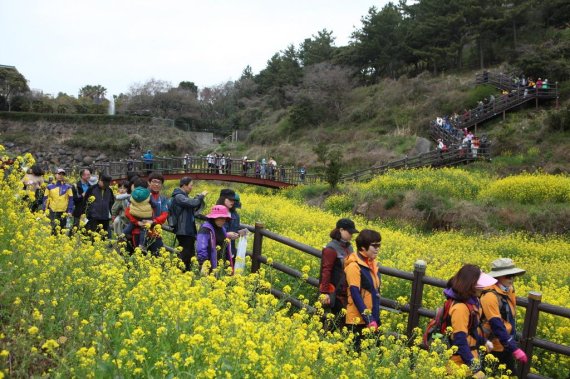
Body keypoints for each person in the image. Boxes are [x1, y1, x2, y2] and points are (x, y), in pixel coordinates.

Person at [445, 264, 496, 378]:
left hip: (464, 364)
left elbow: (470, 331)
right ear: (470, 285)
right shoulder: (461, 309)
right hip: (456, 367)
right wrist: (474, 368)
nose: (483, 288)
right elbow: (460, 340)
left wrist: (483, 341)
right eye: (479, 285)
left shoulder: (471, 303)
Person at [481, 258, 528, 372]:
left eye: (513, 275)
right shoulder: (490, 296)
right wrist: (513, 348)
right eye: (508, 276)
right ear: (497, 277)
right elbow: (496, 324)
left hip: (505, 343)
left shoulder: (508, 290)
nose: (511, 278)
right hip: (493, 347)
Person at [344, 229, 382, 351]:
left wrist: (375, 318)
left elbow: (375, 292)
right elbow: (355, 294)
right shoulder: (353, 266)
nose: (377, 249)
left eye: (379, 245)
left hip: (373, 319)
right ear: (363, 247)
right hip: (358, 321)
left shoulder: (372, 265)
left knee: (375, 356)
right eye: (374, 246)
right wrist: (369, 319)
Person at [319, 218, 359, 330]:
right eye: (349, 232)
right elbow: (326, 270)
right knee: (336, 322)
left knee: (343, 323)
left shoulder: (349, 247)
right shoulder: (331, 247)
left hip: (346, 292)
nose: (352, 235)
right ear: (341, 230)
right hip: (335, 292)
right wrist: (324, 292)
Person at [125, 172, 168, 254]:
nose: (156, 184)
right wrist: (137, 222)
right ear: (149, 183)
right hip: (138, 231)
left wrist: (153, 221)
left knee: (158, 256)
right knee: (139, 257)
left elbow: (164, 214)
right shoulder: (140, 195)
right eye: (154, 181)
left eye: (159, 182)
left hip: (155, 233)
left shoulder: (163, 199)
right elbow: (128, 212)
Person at [170, 177, 207, 270]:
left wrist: (198, 199)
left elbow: (194, 206)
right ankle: (181, 271)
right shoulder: (179, 196)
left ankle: (185, 271)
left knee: (189, 252)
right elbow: (193, 203)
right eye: (191, 185)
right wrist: (200, 196)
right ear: (184, 185)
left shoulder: (183, 196)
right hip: (183, 229)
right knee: (185, 252)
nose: (192, 187)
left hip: (187, 229)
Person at [196, 205, 234, 274]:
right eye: (221, 218)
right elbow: (201, 247)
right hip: (210, 265)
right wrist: (203, 263)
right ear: (214, 218)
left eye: (224, 218)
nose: (223, 220)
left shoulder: (222, 229)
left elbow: (218, 237)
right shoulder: (205, 229)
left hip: (221, 264)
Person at [123, 178, 158, 249]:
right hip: (146, 216)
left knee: (130, 225)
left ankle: (122, 235)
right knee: (144, 229)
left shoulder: (132, 194)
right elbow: (154, 204)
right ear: (146, 186)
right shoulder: (149, 194)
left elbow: (130, 202)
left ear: (135, 186)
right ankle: (141, 245)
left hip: (135, 215)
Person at [216, 189, 246, 258]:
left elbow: (235, 230)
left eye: (233, 200)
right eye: (230, 200)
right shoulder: (216, 213)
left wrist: (239, 233)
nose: (232, 202)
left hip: (231, 251)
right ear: (223, 199)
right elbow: (211, 232)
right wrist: (226, 235)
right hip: (218, 250)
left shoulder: (235, 215)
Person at [83, 174, 115, 240]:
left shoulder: (109, 191)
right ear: (100, 181)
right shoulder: (92, 189)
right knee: (93, 237)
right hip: (93, 217)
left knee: (103, 237)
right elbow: (85, 201)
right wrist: (85, 214)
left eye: (107, 184)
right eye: (104, 183)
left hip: (105, 218)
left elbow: (111, 204)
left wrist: (112, 214)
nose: (106, 185)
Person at [42, 168, 74, 235]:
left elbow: (71, 199)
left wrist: (70, 211)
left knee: (62, 230)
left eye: (62, 174)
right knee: (53, 229)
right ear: (55, 175)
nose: (61, 175)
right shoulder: (49, 186)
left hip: (64, 211)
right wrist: (44, 210)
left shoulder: (68, 187)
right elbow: (46, 199)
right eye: (59, 174)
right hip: (53, 211)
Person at [70, 168, 92, 234]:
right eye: (87, 175)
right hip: (78, 211)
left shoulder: (90, 186)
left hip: (87, 211)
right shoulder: (76, 186)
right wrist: (82, 195)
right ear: (82, 176)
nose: (89, 176)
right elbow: (74, 199)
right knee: (75, 228)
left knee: (86, 229)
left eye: (89, 174)